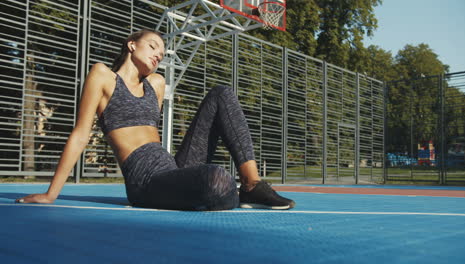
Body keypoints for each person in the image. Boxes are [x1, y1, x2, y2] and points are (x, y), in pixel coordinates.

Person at [16, 29, 295, 211]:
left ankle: (250, 184)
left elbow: (154, 136)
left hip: (170, 167)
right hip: (144, 180)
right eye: (152, 46)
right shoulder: (102, 76)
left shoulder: (157, 84)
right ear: (131, 44)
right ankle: (225, 189)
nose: (157, 55)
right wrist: (51, 194)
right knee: (216, 178)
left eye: (161, 54)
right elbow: (80, 134)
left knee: (222, 93)